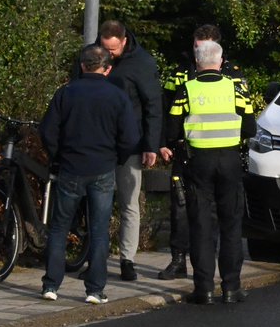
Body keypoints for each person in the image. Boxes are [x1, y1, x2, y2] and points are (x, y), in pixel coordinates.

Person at [40, 44, 140, 304]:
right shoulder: (117, 96)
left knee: (59, 227)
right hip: (103, 168)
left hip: (71, 167)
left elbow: (48, 131)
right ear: (107, 69)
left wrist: (58, 156)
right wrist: (116, 157)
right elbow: (130, 137)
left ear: (82, 65)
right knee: (98, 229)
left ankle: (51, 284)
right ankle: (95, 289)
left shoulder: (66, 92)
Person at [72, 20, 162, 281]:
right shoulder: (90, 56)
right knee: (97, 203)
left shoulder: (142, 63)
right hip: (96, 143)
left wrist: (151, 145)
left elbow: (153, 105)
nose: (108, 55)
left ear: (124, 41)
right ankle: (95, 259)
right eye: (104, 48)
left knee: (129, 202)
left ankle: (127, 260)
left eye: (113, 50)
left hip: (129, 145)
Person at [167, 40, 256, 305]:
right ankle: (231, 288)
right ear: (220, 62)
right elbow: (250, 128)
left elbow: (171, 131)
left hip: (198, 163)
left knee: (201, 225)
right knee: (231, 224)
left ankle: (204, 289)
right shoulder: (236, 89)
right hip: (229, 161)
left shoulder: (187, 90)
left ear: (197, 63)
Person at [157, 24, 245, 281]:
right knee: (181, 207)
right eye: (196, 47)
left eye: (203, 48)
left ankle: (211, 269)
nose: (198, 53)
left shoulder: (233, 76)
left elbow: (244, 116)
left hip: (221, 153)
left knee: (219, 215)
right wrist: (163, 142)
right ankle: (179, 259)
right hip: (186, 151)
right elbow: (165, 108)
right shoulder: (180, 73)